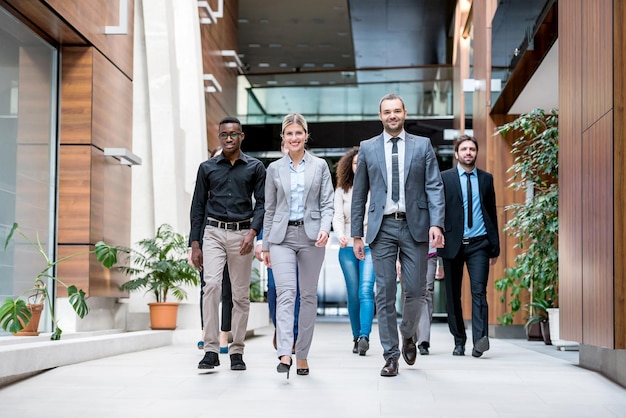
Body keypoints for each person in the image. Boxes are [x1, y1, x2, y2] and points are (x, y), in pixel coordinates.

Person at [351, 93, 445, 377]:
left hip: (415, 225)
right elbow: (359, 194)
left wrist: (437, 224)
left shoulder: (423, 145)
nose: (392, 116)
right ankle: (391, 355)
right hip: (381, 228)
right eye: (387, 112)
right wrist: (357, 233)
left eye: (396, 111)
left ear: (404, 113)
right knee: (384, 292)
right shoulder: (368, 148)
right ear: (380, 116)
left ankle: (407, 333)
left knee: (416, 291)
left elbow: (435, 187)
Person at [190, 116, 265, 371]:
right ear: (219, 137)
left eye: (234, 134)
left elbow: (263, 203)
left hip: (242, 234)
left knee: (240, 295)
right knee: (211, 285)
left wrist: (253, 232)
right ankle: (210, 349)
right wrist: (195, 244)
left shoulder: (255, 167)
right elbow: (197, 206)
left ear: (241, 136)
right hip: (212, 232)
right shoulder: (207, 168)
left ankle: (237, 351)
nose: (229, 138)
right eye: (224, 135)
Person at [262, 113, 334, 378]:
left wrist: (325, 229)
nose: (294, 138)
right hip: (282, 238)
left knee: (308, 296)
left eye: (298, 133)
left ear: (306, 135)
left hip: (312, 237)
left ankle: (302, 353)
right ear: (284, 137)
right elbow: (269, 210)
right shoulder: (274, 169)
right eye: (289, 133)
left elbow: (328, 203)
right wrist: (266, 244)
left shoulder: (320, 166)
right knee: (286, 294)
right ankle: (284, 353)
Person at [437, 134, 500, 358]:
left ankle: (480, 340)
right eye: (464, 149)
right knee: (453, 296)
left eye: (472, 149)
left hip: (479, 243)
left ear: (476, 153)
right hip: (452, 243)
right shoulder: (445, 178)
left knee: (479, 292)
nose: (468, 153)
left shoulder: (486, 179)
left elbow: (491, 212)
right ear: (457, 154)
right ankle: (459, 341)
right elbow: (438, 210)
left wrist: (495, 247)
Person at [333, 146, 375, 356]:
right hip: (347, 245)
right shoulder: (342, 189)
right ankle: (356, 335)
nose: (360, 166)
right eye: (357, 162)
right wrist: (340, 234)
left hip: (371, 245)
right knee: (353, 294)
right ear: (350, 165)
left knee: (365, 290)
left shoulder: (377, 188)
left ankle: (365, 336)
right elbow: (337, 216)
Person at [192, 146, 232, 354]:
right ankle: (206, 332)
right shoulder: (204, 187)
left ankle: (223, 335)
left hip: (230, 240)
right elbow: (196, 216)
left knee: (227, 290)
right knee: (207, 288)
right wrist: (193, 246)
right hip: (207, 242)